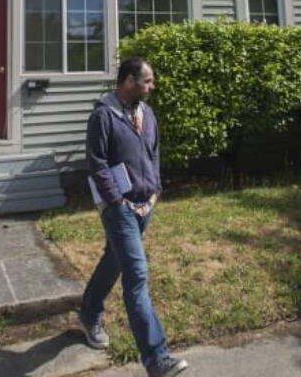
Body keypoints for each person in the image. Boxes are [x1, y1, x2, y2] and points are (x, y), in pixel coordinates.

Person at [78, 57, 189, 377]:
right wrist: (116, 201)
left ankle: (88, 313)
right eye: (146, 81)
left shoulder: (147, 113)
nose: (151, 86)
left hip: (146, 204)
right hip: (119, 209)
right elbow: (96, 163)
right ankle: (157, 358)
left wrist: (155, 190)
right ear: (128, 80)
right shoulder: (103, 116)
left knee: (114, 260)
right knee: (137, 275)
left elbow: (153, 153)